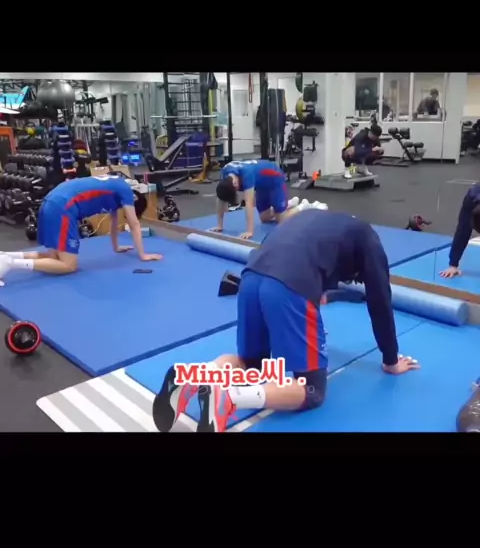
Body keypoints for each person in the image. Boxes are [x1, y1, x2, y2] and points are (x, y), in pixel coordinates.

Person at [153, 210, 420, 433]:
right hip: (290, 285)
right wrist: (390, 359)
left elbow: (287, 256)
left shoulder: (316, 221)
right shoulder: (370, 241)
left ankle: (190, 377)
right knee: (312, 390)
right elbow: (380, 300)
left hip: (251, 275)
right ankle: (230, 398)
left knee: (253, 366)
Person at [0, 174, 162, 285]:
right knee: (69, 265)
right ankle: (11, 263)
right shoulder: (126, 192)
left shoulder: (116, 187)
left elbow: (114, 222)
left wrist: (116, 247)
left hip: (52, 201)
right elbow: (134, 224)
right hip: (62, 207)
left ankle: (6, 256)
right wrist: (143, 255)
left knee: (55, 258)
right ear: (134, 200)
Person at [212, 158, 322, 240]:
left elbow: (249, 203)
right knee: (265, 218)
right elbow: (220, 198)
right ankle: (287, 204)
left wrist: (249, 231)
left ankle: (304, 206)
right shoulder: (225, 173)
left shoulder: (247, 175)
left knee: (281, 220)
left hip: (274, 179)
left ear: (235, 184)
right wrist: (219, 226)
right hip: (261, 184)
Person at [440, 183, 480, 278]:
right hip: (473, 201)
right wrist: (453, 264)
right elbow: (462, 232)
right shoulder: (471, 199)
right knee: (463, 229)